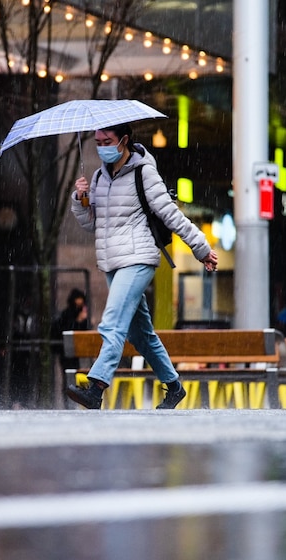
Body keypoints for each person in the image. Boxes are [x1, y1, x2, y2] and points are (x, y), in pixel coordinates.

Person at [65, 123, 218, 410]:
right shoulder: (98, 177)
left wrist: (200, 247)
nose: (101, 147)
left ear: (123, 140)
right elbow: (90, 224)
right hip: (111, 261)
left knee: (112, 321)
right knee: (140, 334)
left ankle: (96, 388)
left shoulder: (143, 171)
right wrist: (80, 199)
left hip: (138, 257)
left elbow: (170, 214)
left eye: (107, 141)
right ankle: (173, 386)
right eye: (97, 142)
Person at [51, 288, 91, 371]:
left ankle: (71, 384)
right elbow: (68, 329)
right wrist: (79, 321)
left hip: (74, 348)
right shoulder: (68, 314)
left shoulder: (79, 312)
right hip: (66, 347)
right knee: (69, 369)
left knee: (73, 370)